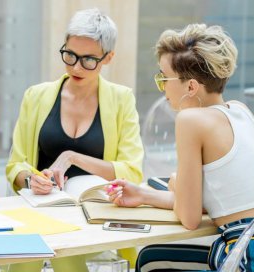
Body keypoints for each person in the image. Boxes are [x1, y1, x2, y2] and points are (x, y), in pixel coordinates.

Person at [106, 23, 254, 271]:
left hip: (244, 252)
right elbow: (222, 200)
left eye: (163, 77)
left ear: (191, 87)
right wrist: (144, 195)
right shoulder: (241, 111)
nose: (163, 88)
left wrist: (176, 183)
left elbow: (190, 217)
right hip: (246, 239)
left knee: (150, 260)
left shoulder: (190, 120)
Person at [5, 8, 144, 272]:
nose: (76, 67)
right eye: (69, 55)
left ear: (109, 57)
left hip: (97, 218)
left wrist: (72, 157)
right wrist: (31, 180)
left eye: (88, 59)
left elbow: (132, 171)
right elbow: (15, 166)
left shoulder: (121, 99)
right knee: (33, 259)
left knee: (69, 257)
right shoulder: (36, 96)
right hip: (42, 215)